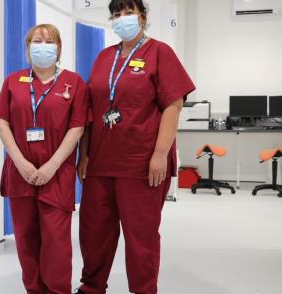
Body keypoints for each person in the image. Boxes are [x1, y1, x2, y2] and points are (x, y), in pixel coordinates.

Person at [74, 1, 195, 293]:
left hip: (141, 163)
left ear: (143, 16)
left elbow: (173, 105)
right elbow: (91, 110)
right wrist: (85, 153)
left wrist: (160, 155)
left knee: (140, 236)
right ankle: (91, 287)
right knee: (94, 232)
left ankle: (143, 290)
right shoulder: (104, 57)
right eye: (116, 15)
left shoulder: (160, 53)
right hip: (101, 162)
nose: (121, 19)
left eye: (128, 12)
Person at [0, 23, 89, 294]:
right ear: (28, 48)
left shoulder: (74, 83)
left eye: (49, 41)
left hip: (56, 175)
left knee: (56, 242)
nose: (42, 46)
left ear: (58, 48)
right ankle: (34, 290)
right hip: (20, 174)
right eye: (36, 41)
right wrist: (21, 163)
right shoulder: (14, 81)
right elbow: (2, 124)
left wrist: (52, 165)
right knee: (26, 239)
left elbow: (77, 128)